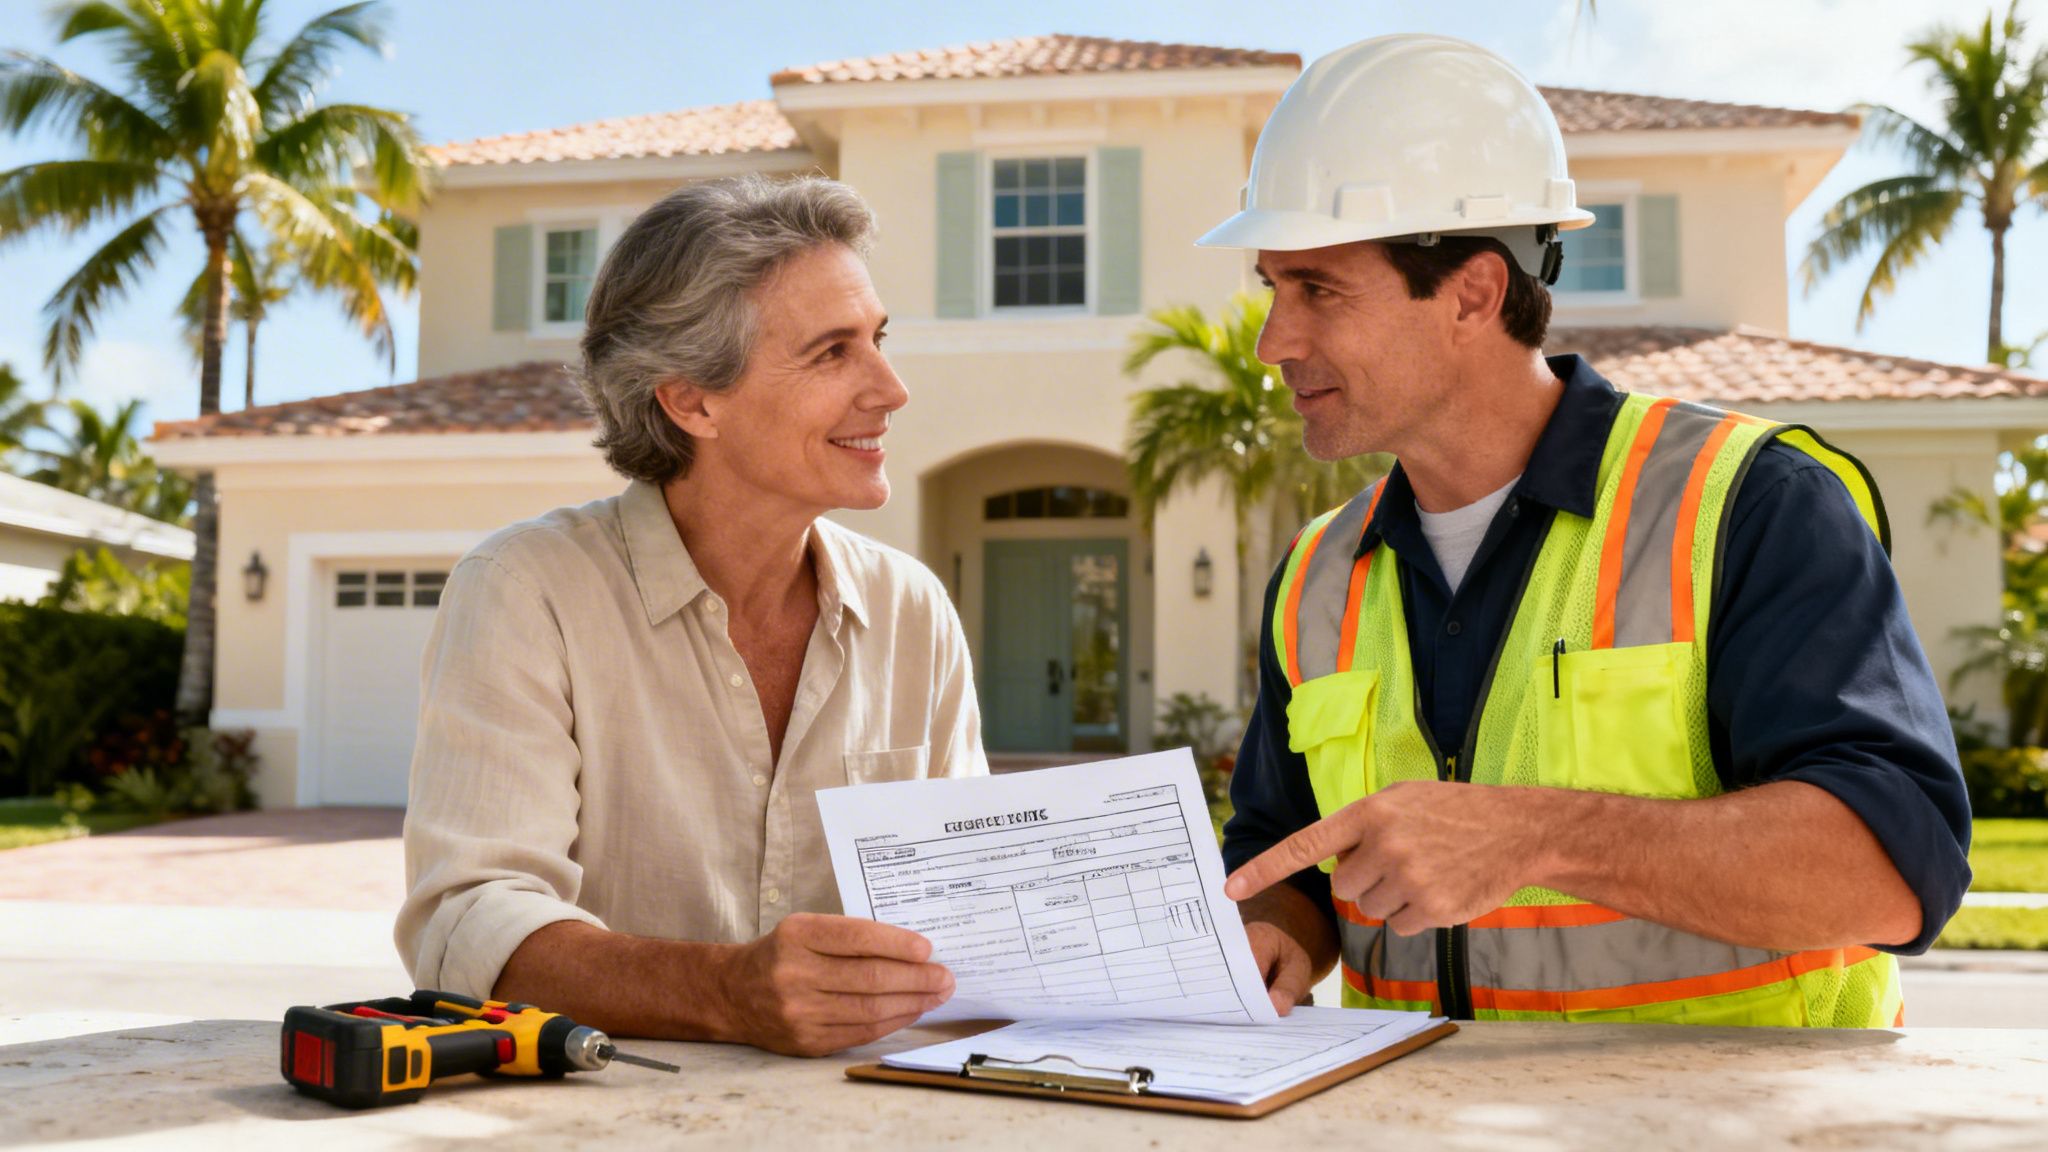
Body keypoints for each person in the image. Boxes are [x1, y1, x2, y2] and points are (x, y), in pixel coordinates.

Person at [1203, 35, 1971, 1027]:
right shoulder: (1316, 575)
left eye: (1318, 289)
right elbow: (1286, 854)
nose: (1274, 342)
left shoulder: (1745, 504)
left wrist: (1534, 838)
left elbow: (1892, 870)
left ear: (1472, 293)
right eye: (1273, 287)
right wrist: (1279, 932)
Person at [397, 175, 985, 1056]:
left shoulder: (914, 610)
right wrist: (724, 991)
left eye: (878, 340)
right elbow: (471, 924)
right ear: (691, 400)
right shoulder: (526, 590)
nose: (891, 388)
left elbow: (973, 904)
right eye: (832, 352)